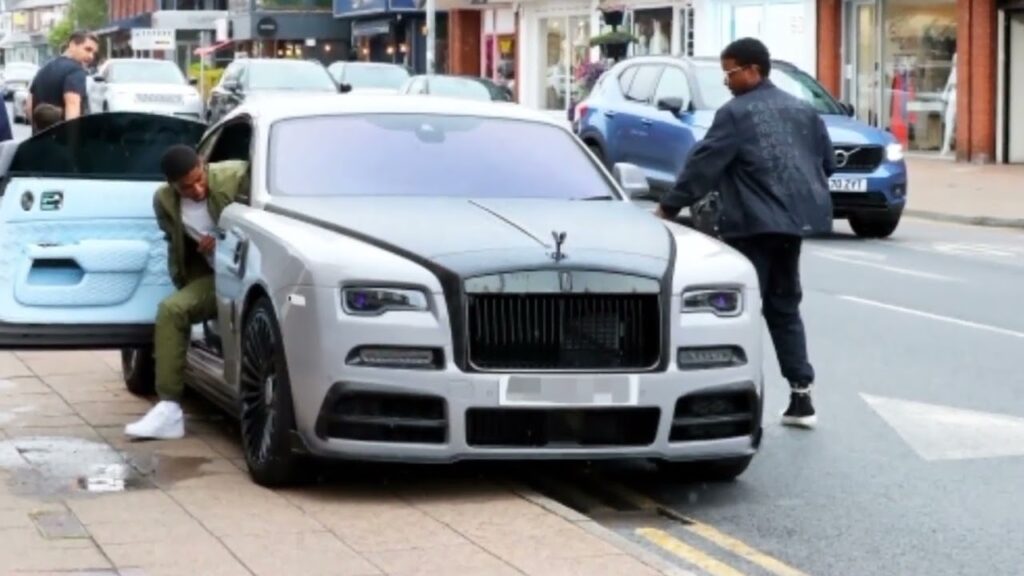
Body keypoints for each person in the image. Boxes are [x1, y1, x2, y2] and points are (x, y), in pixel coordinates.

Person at [655, 37, 835, 429]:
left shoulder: (735, 114)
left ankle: (730, 399)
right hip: (792, 226)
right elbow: (827, 164)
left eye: (730, 72)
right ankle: (801, 395)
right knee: (785, 307)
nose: (726, 81)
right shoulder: (803, 110)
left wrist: (669, 206)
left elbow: (704, 164)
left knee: (736, 311)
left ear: (753, 70)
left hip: (749, 228)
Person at [124, 146, 249, 440]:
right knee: (171, 310)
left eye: (199, 179)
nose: (196, 189)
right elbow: (175, 242)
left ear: (203, 165)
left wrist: (222, 239)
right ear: (172, 186)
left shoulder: (236, 176)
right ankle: (169, 410)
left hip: (253, 275)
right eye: (186, 186)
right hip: (216, 280)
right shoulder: (164, 201)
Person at [27, 30, 98, 132]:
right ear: (72, 45)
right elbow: (72, 106)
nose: (91, 56)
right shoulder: (75, 71)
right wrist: (72, 143)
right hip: (62, 141)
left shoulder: (43, 69)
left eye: (93, 53)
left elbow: (29, 107)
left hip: (39, 140)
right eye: (88, 49)